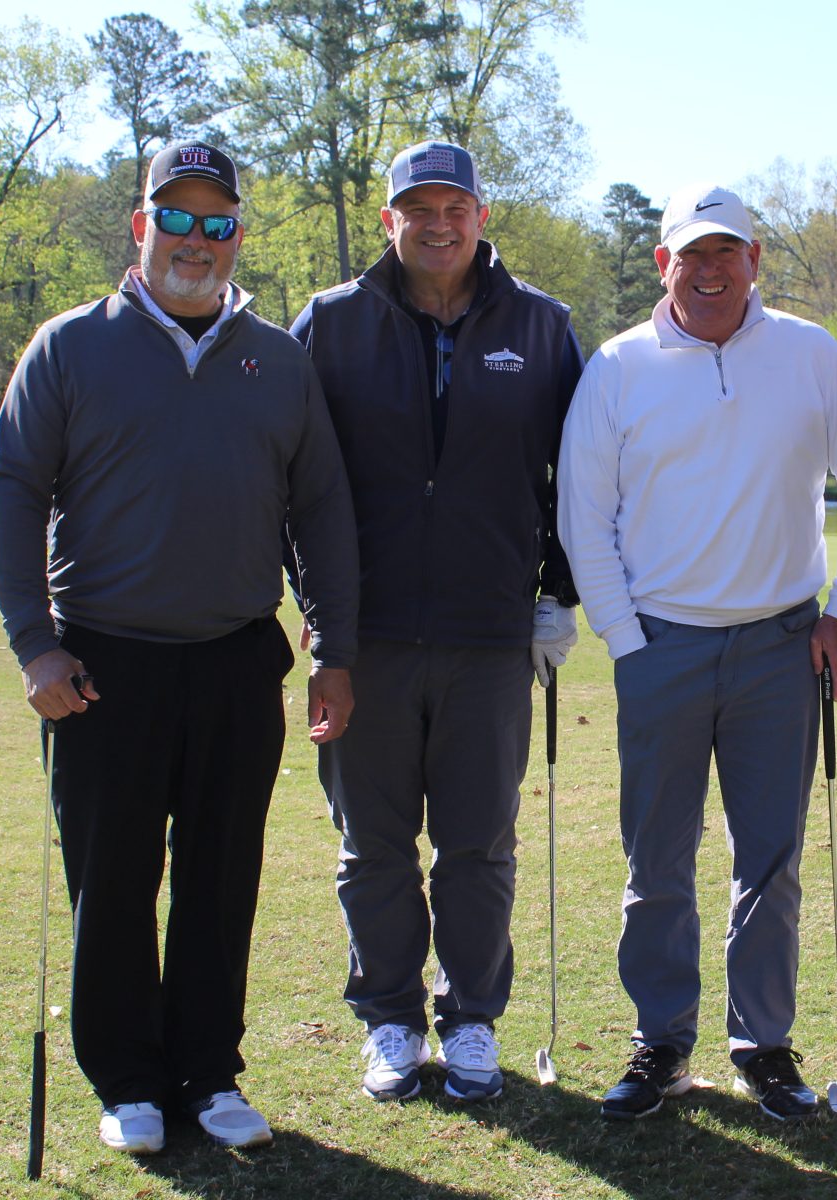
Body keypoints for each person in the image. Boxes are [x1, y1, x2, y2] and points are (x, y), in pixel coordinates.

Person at [0, 141, 358, 1155]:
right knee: (111, 882)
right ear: (141, 226)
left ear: (238, 233)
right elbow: (14, 492)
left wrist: (331, 643)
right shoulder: (68, 348)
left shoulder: (277, 359)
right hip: (104, 664)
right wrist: (34, 646)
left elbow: (318, 510)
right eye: (177, 219)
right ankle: (129, 1081)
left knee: (221, 877)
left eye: (217, 221)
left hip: (237, 658)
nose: (198, 240)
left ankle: (206, 1073)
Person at [558, 183, 837, 1123]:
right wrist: (625, 639)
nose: (707, 272)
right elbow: (583, 515)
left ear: (755, 262)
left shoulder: (810, 354)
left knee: (771, 860)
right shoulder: (620, 367)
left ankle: (764, 1046)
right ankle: (661, 1044)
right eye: (689, 257)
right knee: (656, 860)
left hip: (782, 646)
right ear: (664, 265)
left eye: (726, 254)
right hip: (660, 643)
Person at [287, 140, 584, 1104]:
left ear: (481, 216)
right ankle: (388, 1020)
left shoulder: (542, 328)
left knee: (477, 847)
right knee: (372, 846)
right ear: (390, 221)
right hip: (362, 642)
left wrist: (557, 594)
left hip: (491, 638)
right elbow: (288, 480)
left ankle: (468, 1021)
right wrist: (316, 612)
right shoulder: (331, 325)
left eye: (456, 206)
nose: (439, 223)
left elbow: (581, 480)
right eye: (419, 208)